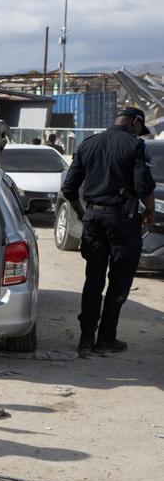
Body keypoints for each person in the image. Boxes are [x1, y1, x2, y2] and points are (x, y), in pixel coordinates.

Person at [60, 107, 156, 357]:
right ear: (135, 122)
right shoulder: (136, 146)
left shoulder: (88, 144)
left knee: (93, 281)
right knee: (119, 281)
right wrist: (150, 211)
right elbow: (143, 184)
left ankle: (85, 339)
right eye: (140, 128)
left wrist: (83, 213)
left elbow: (69, 189)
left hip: (93, 218)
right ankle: (106, 339)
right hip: (122, 220)